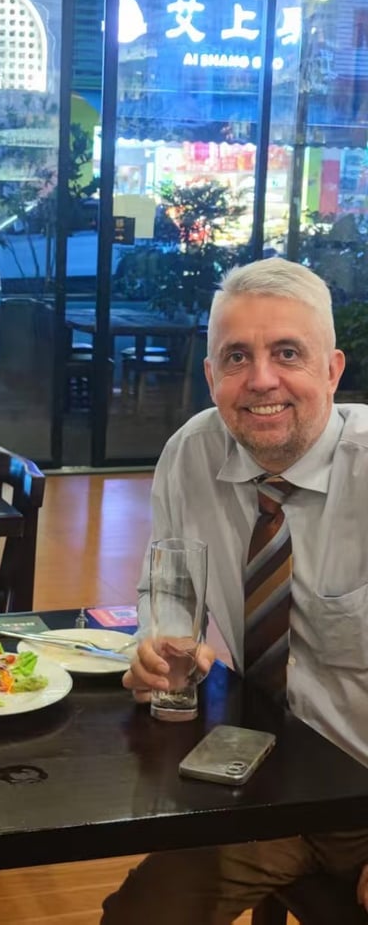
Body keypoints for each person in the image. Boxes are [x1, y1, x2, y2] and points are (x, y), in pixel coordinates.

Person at [101, 258, 368, 923]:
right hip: (265, 783)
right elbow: (164, 589)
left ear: (333, 370)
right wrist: (157, 646)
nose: (262, 380)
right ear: (211, 375)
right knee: (139, 916)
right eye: (237, 356)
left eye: (287, 352)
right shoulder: (190, 456)